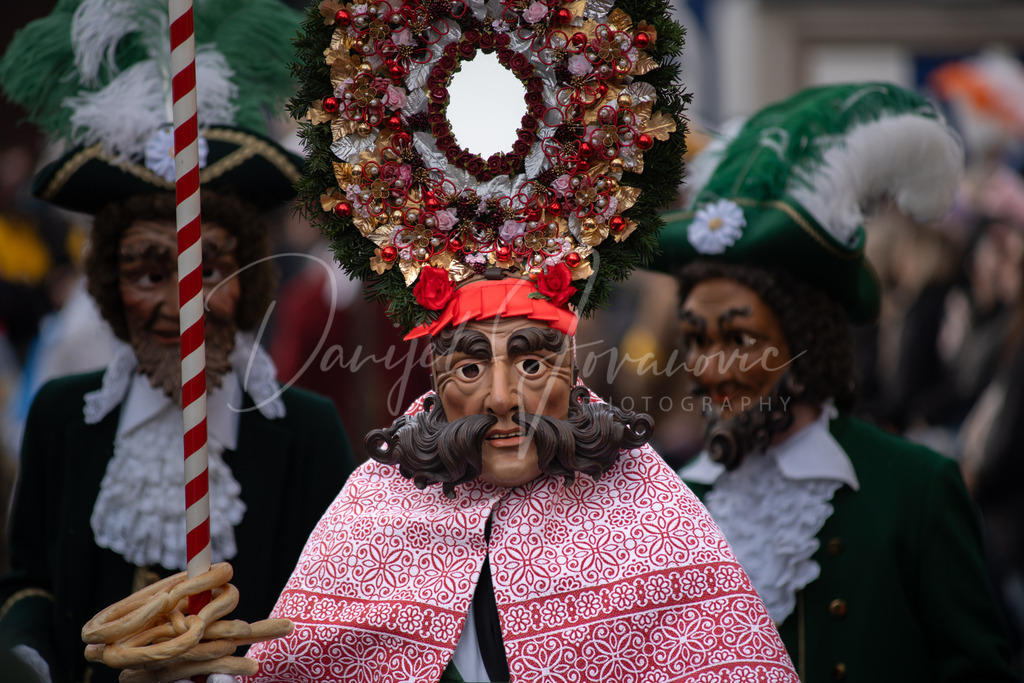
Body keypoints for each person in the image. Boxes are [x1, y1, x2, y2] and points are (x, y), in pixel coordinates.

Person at [0, 2, 355, 682]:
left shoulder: (307, 432)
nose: (178, 306)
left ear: (248, 280)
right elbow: (29, 585)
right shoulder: (62, 416)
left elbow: (340, 613)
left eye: (208, 270)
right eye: (147, 272)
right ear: (111, 286)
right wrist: (30, 658)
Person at [655, 82, 1019, 681]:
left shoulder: (914, 489)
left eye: (741, 338)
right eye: (697, 340)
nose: (713, 367)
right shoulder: (674, 504)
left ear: (806, 345)